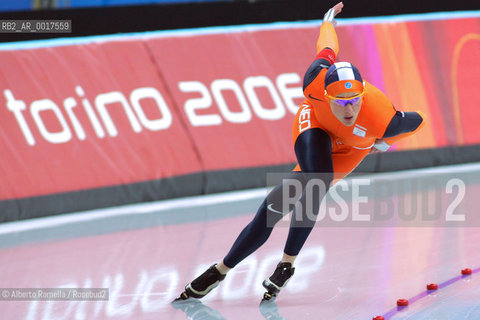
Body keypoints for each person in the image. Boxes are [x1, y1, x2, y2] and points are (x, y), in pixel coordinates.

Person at [175, 1, 425, 302]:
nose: (347, 108)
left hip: (353, 148)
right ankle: (221, 269)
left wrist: (384, 142)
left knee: (301, 191)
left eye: (353, 100)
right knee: (304, 188)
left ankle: (287, 263)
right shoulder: (314, 82)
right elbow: (327, 47)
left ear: (362, 94)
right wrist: (328, 20)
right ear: (324, 93)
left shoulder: (383, 117)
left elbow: (418, 121)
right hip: (315, 125)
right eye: (339, 100)